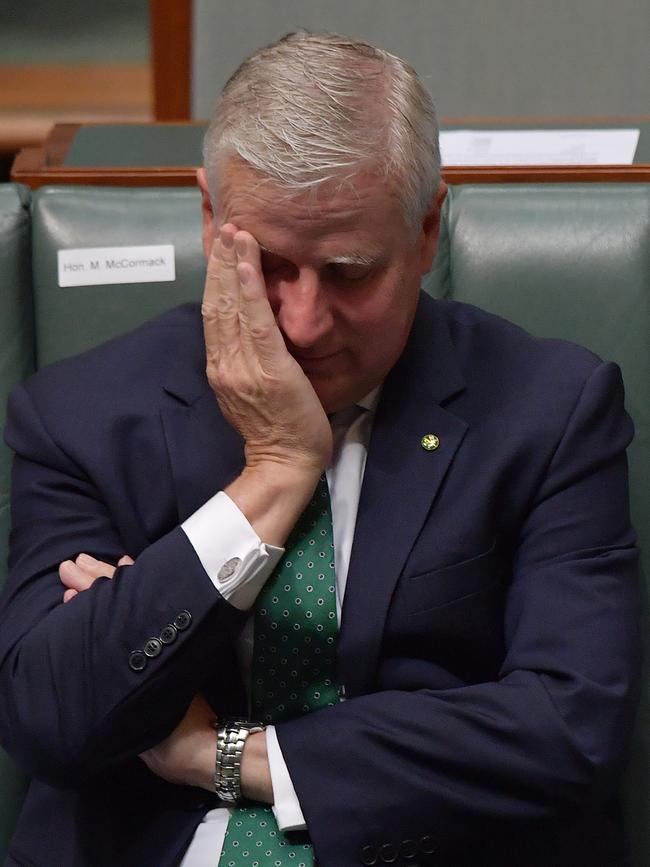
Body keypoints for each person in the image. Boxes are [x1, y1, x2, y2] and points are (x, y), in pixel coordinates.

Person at [0, 30, 640, 867]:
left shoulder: (550, 411)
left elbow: (569, 729)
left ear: (425, 232)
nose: (303, 322)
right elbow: (51, 716)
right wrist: (274, 472)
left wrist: (223, 755)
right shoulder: (80, 414)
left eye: (348, 272)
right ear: (209, 220)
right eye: (268, 264)